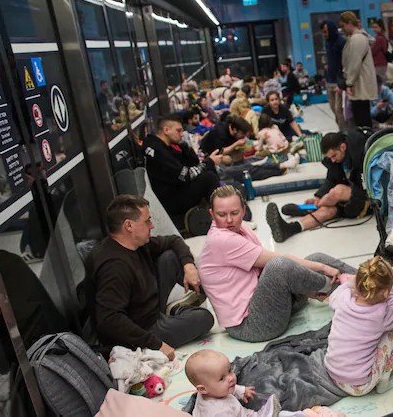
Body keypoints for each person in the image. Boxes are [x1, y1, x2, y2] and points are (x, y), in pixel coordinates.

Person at [199, 185, 354, 342]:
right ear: (212, 214)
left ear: (244, 211)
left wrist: (307, 285)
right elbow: (277, 263)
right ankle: (345, 286)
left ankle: (366, 277)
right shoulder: (221, 239)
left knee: (315, 257)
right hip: (253, 325)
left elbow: (264, 269)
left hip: (271, 303)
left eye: (234, 213)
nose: (229, 220)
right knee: (280, 265)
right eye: (221, 215)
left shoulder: (241, 228)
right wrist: (323, 269)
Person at [89, 195, 213, 359]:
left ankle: (179, 310)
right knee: (204, 318)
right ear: (129, 226)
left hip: (148, 305)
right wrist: (157, 344)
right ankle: (178, 311)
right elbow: (110, 320)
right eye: (147, 221)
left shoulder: (136, 243)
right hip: (141, 330)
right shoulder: (114, 267)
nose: (152, 225)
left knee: (170, 256)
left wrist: (188, 265)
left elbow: (174, 240)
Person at [266, 131, 369, 243]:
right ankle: (291, 228)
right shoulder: (336, 160)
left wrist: (325, 199)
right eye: (330, 158)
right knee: (327, 211)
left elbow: (366, 186)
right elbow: (331, 179)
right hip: (350, 201)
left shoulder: (362, 155)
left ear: (343, 147)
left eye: (334, 156)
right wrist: (318, 197)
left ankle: (313, 207)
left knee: (337, 191)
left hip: (366, 196)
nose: (333, 160)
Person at [325, 257, 393, 396]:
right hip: (359, 385)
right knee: (392, 336)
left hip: (332, 373)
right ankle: (383, 384)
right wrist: (391, 294)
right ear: (386, 292)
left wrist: (350, 283)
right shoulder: (382, 314)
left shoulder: (343, 299)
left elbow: (333, 296)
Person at [144, 116, 221, 230]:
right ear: (166, 130)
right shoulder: (158, 151)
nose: (181, 134)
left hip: (176, 190)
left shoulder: (167, 147)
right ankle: (221, 218)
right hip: (170, 199)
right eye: (178, 130)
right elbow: (185, 175)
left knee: (208, 171)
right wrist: (208, 162)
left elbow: (193, 164)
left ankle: (219, 212)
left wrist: (186, 146)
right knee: (208, 177)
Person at [200, 113, 296, 183]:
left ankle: (281, 163)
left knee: (251, 160)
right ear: (234, 130)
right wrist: (236, 144)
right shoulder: (219, 133)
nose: (244, 137)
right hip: (217, 164)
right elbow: (221, 152)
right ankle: (280, 167)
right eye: (242, 134)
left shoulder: (230, 128)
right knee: (248, 169)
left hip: (222, 160)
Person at [186, 349, 282, 417]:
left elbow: (232, 387)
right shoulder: (217, 412)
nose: (231, 378)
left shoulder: (213, 390)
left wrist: (242, 391)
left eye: (229, 370)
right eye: (222, 378)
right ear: (202, 389)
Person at [340, 11, 378, 128]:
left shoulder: (357, 39)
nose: (342, 29)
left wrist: (349, 83)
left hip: (359, 84)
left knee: (362, 119)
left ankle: (365, 142)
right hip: (360, 83)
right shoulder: (360, 37)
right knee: (362, 117)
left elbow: (354, 63)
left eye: (343, 26)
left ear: (350, 23)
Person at [321, 20, 348, 130]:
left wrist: (342, 81)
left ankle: (343, 132)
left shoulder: (341, 42)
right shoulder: (327, 42)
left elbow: (345, 61)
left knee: (338, 109)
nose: (324, 34)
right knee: (333, 108)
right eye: (323, 32)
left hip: (339, 80)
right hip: (329, 79)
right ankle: (341, 126)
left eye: (326, 31)